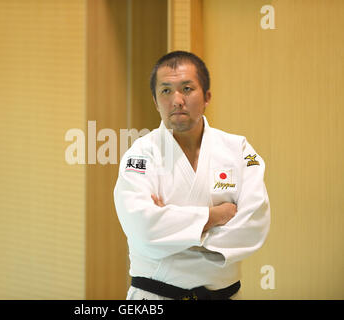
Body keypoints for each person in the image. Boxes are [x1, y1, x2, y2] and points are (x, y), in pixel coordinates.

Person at [113, 51, 270, 300]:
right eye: (166, 91)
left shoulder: (238, 149)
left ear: (207, 97)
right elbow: (143, 228)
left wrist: (172, 230)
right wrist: (214, 216)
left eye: (187, 89)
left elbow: (254, 224)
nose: (177, 100)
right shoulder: (141, 155)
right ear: (155, 101)